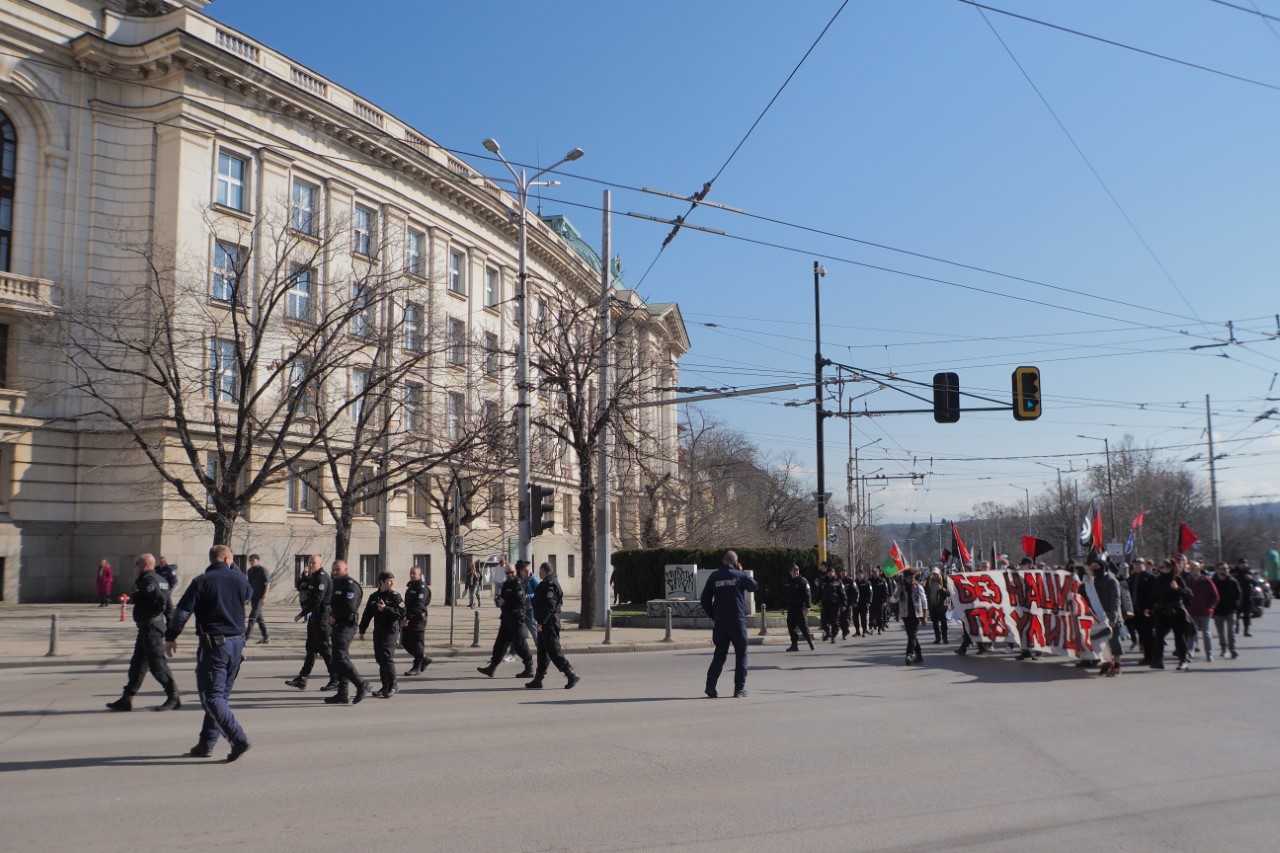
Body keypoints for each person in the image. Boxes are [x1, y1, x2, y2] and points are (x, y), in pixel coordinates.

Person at [163, 544, 254, 762]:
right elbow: (248, 596)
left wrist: (171, 636)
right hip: (237, 645)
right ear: (227, 559)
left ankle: (238, 738)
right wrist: (234, 571)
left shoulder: (201, 582)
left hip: (215, 647)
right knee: (220, 697)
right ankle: (206, 744)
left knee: (212, 697)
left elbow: (182, 612)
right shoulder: (240, 579)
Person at [106, 553, 180, 711]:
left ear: (145, 565)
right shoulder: (161, 579)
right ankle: (127, 698)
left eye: (136, 564)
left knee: (157, 664)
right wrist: (169, 627)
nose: (134, 567)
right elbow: (169, 605)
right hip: (149, 628)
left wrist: (157, 615)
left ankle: (173, 696)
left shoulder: (148, 580)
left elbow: (161, 600)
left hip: (151, 628)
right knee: (138, 664)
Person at [699, 550, 759, 699]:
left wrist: (713, 614)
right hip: (737, 621)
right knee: (741, 654)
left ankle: (710, 686)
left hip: (720, 622)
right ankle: (739, 689)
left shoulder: (714, 576)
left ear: (723, 561)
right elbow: (754, 586)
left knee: (719, 653)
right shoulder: (738, 575)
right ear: (735, 562)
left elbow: (704, 599)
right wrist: (741, 571)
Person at [526, 562, 580, 689]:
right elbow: (540, 601)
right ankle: (538, 679)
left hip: (548, 623)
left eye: (540, 570)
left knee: (554, 651)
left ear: (544, 570)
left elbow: (549, 606)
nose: (538, 573)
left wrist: (541, 622)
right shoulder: (546, 583)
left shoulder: (550, 585)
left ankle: (571, 674)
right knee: (542, 652)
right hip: (545, 623)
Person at [286, 554, 336, 690]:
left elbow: (317, 600)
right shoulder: (314, 577)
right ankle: (302, 678)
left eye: (313, 563)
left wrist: (302, 614)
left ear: (320, 563)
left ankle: (336, 679)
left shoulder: (321, 578)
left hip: (322, 618)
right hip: (315, 618)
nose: (311, 565)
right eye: (309, 562)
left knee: (325, 650)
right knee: (311, 649)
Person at [477, 563, 533, 679]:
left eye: (512, 572)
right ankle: (491, 668)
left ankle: (529, 668)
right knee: (499, 645)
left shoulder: (518, 583)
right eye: (508, 573)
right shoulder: (506, 584)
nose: (510, 574)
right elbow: (503, 599)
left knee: (520, 645)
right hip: (506, 619)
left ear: (515, 572)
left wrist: (505, 603)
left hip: (516, 619)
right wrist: (498, 601)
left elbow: (520, 601)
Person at [326, 560, 370, 705]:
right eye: (333, 569)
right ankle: (343, 694)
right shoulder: (337, 583)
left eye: (338, 569)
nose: (335, 572)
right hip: (338, 625)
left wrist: (334, 616)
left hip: (347, 625)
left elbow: (349, 607)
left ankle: (361, 683)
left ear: (346, 569)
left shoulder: (350, 585)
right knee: (338, 659)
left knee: (340, 657)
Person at [360, 571, 406, 698]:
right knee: (380, 658)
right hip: (379, 630)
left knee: (386, 656)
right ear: (381, 582)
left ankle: (393, 685)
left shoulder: (395, 596)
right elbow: (367, 614)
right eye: (389, 581)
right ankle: (385, 686)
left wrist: (386, 609)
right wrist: (362, 629)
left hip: (391, 629)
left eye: (393, 580)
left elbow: (402, 612)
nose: (391, 583)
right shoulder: (374, 597)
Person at [1147, 558, 1193, 670]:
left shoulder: (1177, 579)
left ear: (1170, 568)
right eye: (1160, 567)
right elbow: (1154, 595)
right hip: (1162, 611)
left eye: (1163, 567)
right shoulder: (1158, 580)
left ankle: (1183, 660)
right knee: (1158, 636)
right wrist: (1148, 607)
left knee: (1179, 637)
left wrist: (1177, 588)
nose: (1160, 569)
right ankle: (1158, 660)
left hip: (1176, 611)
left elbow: (1187, 595)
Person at [1084, 559, 1124, 676]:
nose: (1094, 569)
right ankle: (1107, 663)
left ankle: (1117, 666)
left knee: (1114, 641)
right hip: (1099, 617)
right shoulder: (1094, 581)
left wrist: (1113, 618)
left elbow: (1115, 600)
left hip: (1112, 616)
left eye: (1096, 567)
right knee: (1100, 641)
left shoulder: (1111, 580)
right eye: (1092, 567)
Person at [401, 565, 433, 677]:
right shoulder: (411, 586)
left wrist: (408, 618)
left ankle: (417, 666)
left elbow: (419, 605)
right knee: (405, 642)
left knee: (417, 643)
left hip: (418, 619)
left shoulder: (422, 587)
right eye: (411, 573)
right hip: (409, 618)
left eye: (414, 573)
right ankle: (424, 658)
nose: (412, 575)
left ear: (420, 574)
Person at [1186, 561, 1219, 662]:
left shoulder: (1206, 581)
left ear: (1199, 569)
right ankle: (1189, 653)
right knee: (1192, 633)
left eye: (1195, 568)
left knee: (1206, 633)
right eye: (1191, 568)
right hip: (1192, 612)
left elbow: (1215, 596)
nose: (1193, 570)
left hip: (1204, 612)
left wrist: (1210, 607)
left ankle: (1209, 654)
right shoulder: (1187, 581)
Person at [893, 569, 928, 665]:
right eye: (909, 578)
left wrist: (925, 615)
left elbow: (924, 600)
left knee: (912, 634)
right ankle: (919, 655)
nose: (912, 579)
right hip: (905, 614)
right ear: (905, 578)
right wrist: (898, 592)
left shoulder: (918, 587)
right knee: (911, 635)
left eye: (913, 577)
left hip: (916, 614)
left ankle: (909, 654)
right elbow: (893, 600)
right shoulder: (900, 586)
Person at [1211, 562, 1241, 659]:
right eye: (1221, 569)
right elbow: (1209, 595)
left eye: (1225, 568)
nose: (1224, 570)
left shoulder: (1233, 581)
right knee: (1220, 631)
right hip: (1218, 610)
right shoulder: (1213, 582)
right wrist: (1212, 607)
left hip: (1230, 610)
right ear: (1217, 570)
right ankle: (1223, 648)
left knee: (1231, 630)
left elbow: (1239, 594)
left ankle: (1233, 649)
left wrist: (1236, 605)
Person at [781, 564, 815, 652]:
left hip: (800, 608)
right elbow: (784, 596)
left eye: (797, 570)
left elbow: (808, 594)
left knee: (803, 627)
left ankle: (810, 642)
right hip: (791, 609)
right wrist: (783, 607)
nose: (795, 572)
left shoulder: (803, 581)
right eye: (793, 570)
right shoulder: (787, 582)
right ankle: (794, 645)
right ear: (790, 572)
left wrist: (808, 606)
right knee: (791, 627)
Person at [1129, 558, 1156, 663]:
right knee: (1142, 633)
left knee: (1148, 634)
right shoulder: (1133, 577)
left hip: (1146, 610)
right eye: (1135, 564)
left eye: (1139, 564)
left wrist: (1149, 607)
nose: (1137, 566)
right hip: (1136, 610)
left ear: (1144, 565)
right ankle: (1148, 654)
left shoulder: (1150, 577)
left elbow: (1153, 595)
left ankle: (1151, 656)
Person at [244, 553, 270, 644]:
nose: (251, 562)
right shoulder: (250, 571)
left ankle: (245, 638)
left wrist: (265, 596)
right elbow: (249, 584)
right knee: (260, 618)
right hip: (253, 597)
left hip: (260, 598)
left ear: (258, 560)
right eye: (250, 560)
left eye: (253, 560)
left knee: (252, 618)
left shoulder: (263, 570)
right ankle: (266, 637)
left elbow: (267, 584)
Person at [818, 565, 845, 644]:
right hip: (825, 604)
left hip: (835, 604)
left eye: (832, 572)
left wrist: (844, 604)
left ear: (834, 573)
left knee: (835, 622)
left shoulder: (838, 581)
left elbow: (842, 594)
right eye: (829, 572)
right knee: (823, 621)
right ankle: (828, 632)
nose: (830, 573)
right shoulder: (823, 581)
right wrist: (817, 600)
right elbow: (819, 592)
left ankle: (833, 636)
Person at [1232, 558, 1257, 637]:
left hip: (1247, 596)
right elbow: (1231, 579)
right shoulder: (1234, 571)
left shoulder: (1249, 572)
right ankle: (1236, 626)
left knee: (1247, 615)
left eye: (1245, 563)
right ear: (1238, 564)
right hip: (1237, 596)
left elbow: (1255, 583)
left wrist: (1251, 579)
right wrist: (1241, 575)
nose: (1244, 565)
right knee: (1237, 614)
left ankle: (1246, 630)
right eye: (1242, 563)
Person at [925, 567, 950, 644]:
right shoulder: (929, 581)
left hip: (942, 606)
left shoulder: (944, 580)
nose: (935, 575)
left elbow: (949, 593)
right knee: (935, 623)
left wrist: (942, 589)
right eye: (933, 574)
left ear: (939, 574)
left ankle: (945, 638)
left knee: (943, 623)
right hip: (932, 605)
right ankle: (938, 638)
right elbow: (925, 591)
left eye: (936, 574)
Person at [837, 567, 856, 639]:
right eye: (842, 571)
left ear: (846, 573)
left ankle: (845, 632)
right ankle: (845, 630)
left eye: (844, 571)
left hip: (848, 603)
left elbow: (855, 591)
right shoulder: (837, 581)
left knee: (846, 618)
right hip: (839, 603)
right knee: (840, 619)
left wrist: (855, 601)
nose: (843, 573)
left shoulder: (850, 581)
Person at [852, 569, 872, 637]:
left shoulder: (867, 583)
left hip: (864, 603)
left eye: (860, 574)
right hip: (856, 603)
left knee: (863, 617)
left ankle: (864, 631)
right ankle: (857, 631)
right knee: (855, 617)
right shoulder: (854, 583)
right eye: (857, 574)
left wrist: (868, 602)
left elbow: (870, 593)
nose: (858, 576)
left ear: (863, 575)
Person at [869, 569, 889, 634]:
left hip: (880, 601)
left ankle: (879, 628)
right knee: (871, 615)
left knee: (880, 616)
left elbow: (886, 591)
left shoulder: (883, 580)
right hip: (872, 601)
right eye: (873, 573)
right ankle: (871, 627)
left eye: (876, 572)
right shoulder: (869, 580)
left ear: (878, 573)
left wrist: (885, 601)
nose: (875, 574)